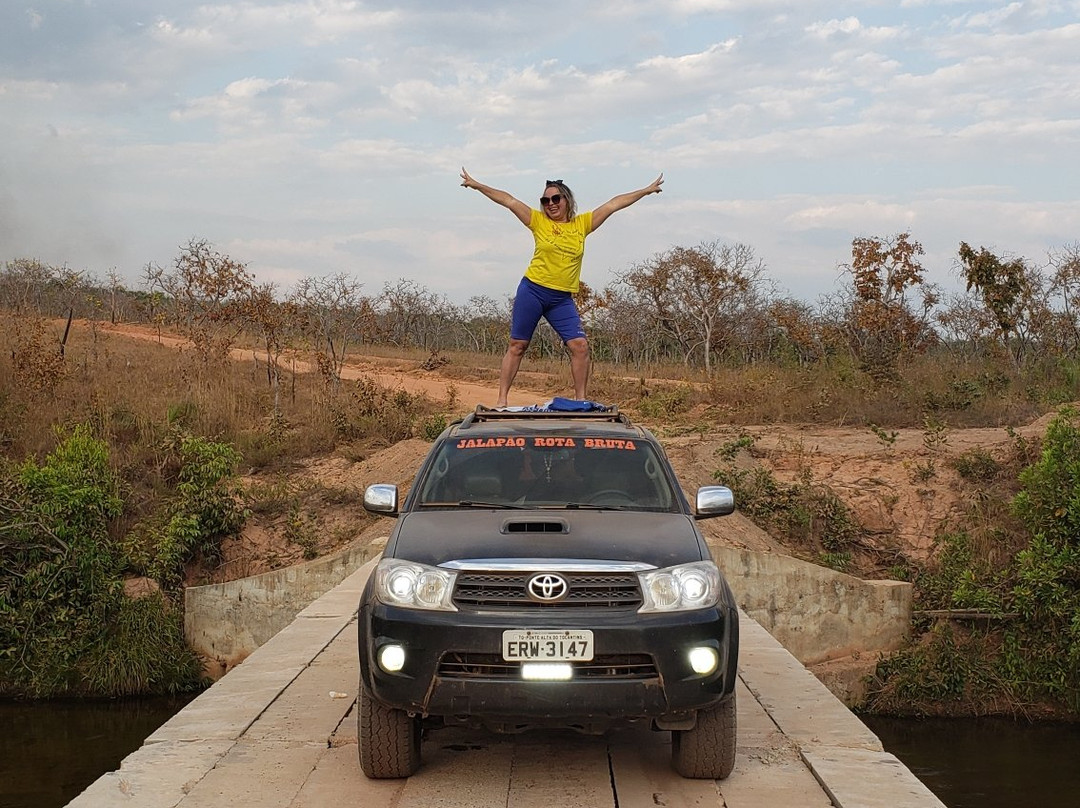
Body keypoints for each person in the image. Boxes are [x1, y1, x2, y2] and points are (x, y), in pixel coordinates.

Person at [460, 168, 664, 406]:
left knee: (580, 346)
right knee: (518, 345)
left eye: (556, 199)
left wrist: (646, 191)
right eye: (545, 200)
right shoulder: (538, 221)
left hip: (561, 299)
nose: (550, 204)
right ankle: (502, 400)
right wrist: (477, 185)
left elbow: (613, 204)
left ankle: (581, 401)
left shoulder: (582, 224)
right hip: (533, 290)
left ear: (567, 200)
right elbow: (508, 200)